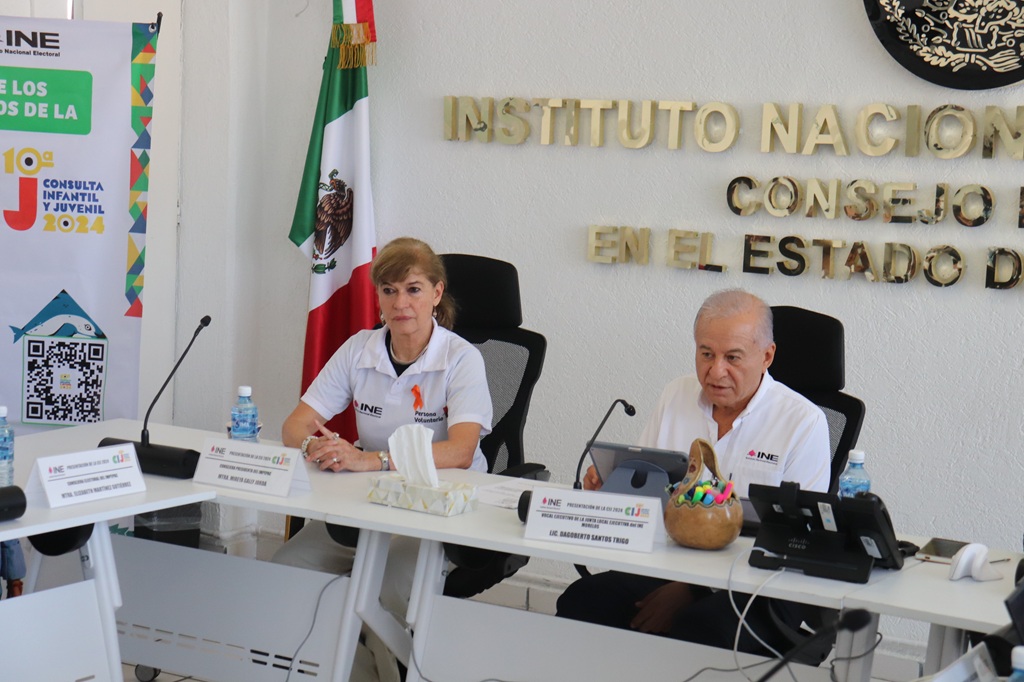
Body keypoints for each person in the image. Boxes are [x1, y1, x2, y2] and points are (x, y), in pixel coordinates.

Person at [557, 288, 831, 654]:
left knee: (700, 628)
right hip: (670, 562)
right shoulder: (676, 395)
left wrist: (693, 590)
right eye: (706, 354)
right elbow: (649, 499)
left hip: (760, 584)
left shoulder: (803, 422)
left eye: (733, 357)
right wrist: (612, 488)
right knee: (583, 601)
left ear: (767, 356)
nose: (716, 371)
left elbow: (795, 540)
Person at [273, 236, 493, 617]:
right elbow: (294, 426)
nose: (400, 303)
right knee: (288, 568)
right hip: (371, 501)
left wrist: (368, 460)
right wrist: (315, 447)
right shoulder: (361, 348)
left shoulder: (461, 358)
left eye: (413, 289)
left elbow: (461, 452)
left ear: (437, 293)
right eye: (388, 290)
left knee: (387, 586)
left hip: (441, 507)